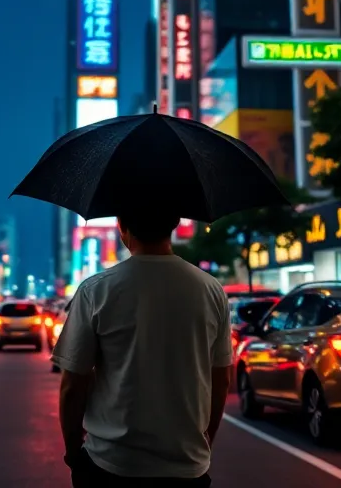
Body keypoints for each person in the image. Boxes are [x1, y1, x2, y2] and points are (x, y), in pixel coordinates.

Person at [53, 206, 232, 486]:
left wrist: (73, 450)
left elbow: (73, 384)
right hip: (187, 467)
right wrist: (203, 442)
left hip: (111, 463)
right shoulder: (211, 290)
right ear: (174, 222)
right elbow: (221, 379)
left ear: (122, 226)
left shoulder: (95, 290)